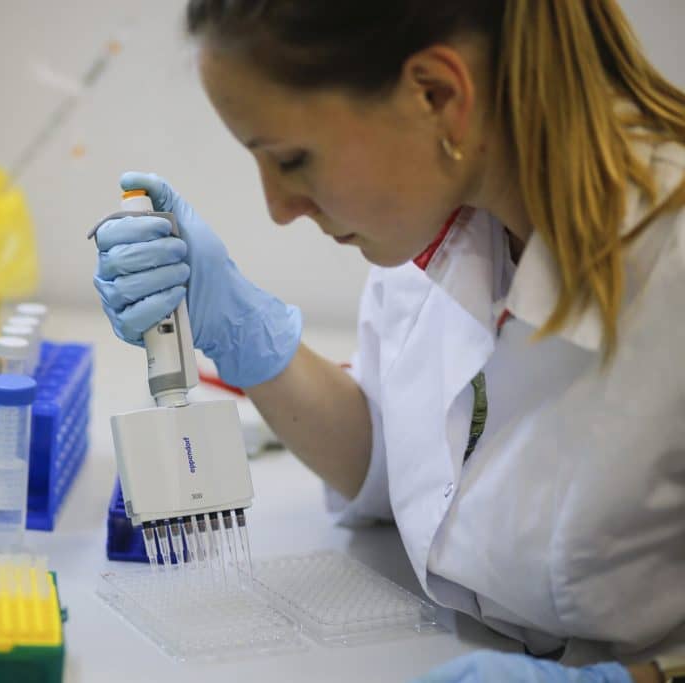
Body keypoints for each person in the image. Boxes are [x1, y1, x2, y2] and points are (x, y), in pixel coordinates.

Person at [90, 1, 685, 681]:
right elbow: (401, 460)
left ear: (436, 96)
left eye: (292, 159)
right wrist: (243, 333)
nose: (279, 209)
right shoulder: (441, 220)